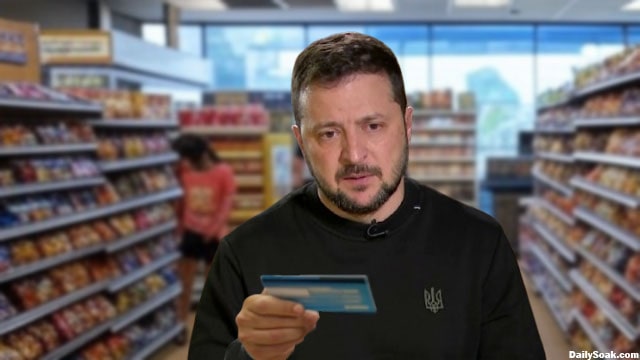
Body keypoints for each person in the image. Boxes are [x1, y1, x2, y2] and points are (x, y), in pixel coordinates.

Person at [189, 32, 545, 359]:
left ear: (407, 126)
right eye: (329, 134)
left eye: (373, 126)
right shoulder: (245, 254)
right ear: (300, 142)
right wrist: (247, 356)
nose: (354, 155)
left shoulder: (478, 244)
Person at [172, 133, 236, 343]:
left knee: (213, 288)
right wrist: (180, 229)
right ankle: (180, 325)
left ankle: (212, 330)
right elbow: (181, 203)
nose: (185, 162)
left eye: (187, 157)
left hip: (214, 236)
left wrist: (212, 230)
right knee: (184, 283)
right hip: (190, 233)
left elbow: (226, 205)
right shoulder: (184, 171)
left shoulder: (223, 173)